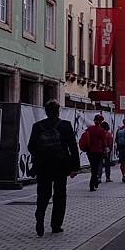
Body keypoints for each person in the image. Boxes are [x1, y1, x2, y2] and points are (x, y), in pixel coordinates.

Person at [28, 99, 80, 237]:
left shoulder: (37, 126)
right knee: (60, 194)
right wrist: (75, 167)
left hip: (43, 165)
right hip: (61, 165)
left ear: (46, 111)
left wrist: (40, 155)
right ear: (58, 111)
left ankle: (40, 213)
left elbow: (31, 147)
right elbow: (73, 147)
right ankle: (56, 225)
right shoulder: (65, 125)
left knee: (43, 193)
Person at [80, 114, 108, 191]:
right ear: (101, 121)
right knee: (96, 168)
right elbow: (104, 142)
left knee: (93, 167)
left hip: (89, 151)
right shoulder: (101, 130)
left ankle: (94, 182)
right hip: (98, 151)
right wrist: (105, 151)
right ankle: (93, 183)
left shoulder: (89, 129)